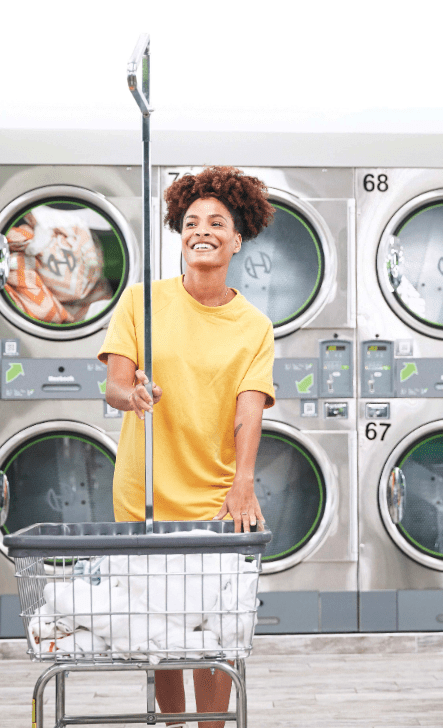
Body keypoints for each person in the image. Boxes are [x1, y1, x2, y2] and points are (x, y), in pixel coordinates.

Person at [98, 166, 276, 728]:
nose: (203, 230)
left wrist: (243, 483)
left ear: (236, 238)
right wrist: (133, 395)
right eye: (192, 221)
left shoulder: (254, 325)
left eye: (217, 222)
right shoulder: (141, 303)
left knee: (214, 632)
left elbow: (250, 407)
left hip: (212, 498)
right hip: (143, 493)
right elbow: (114, 385)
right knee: (161, 636)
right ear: (180, 233)